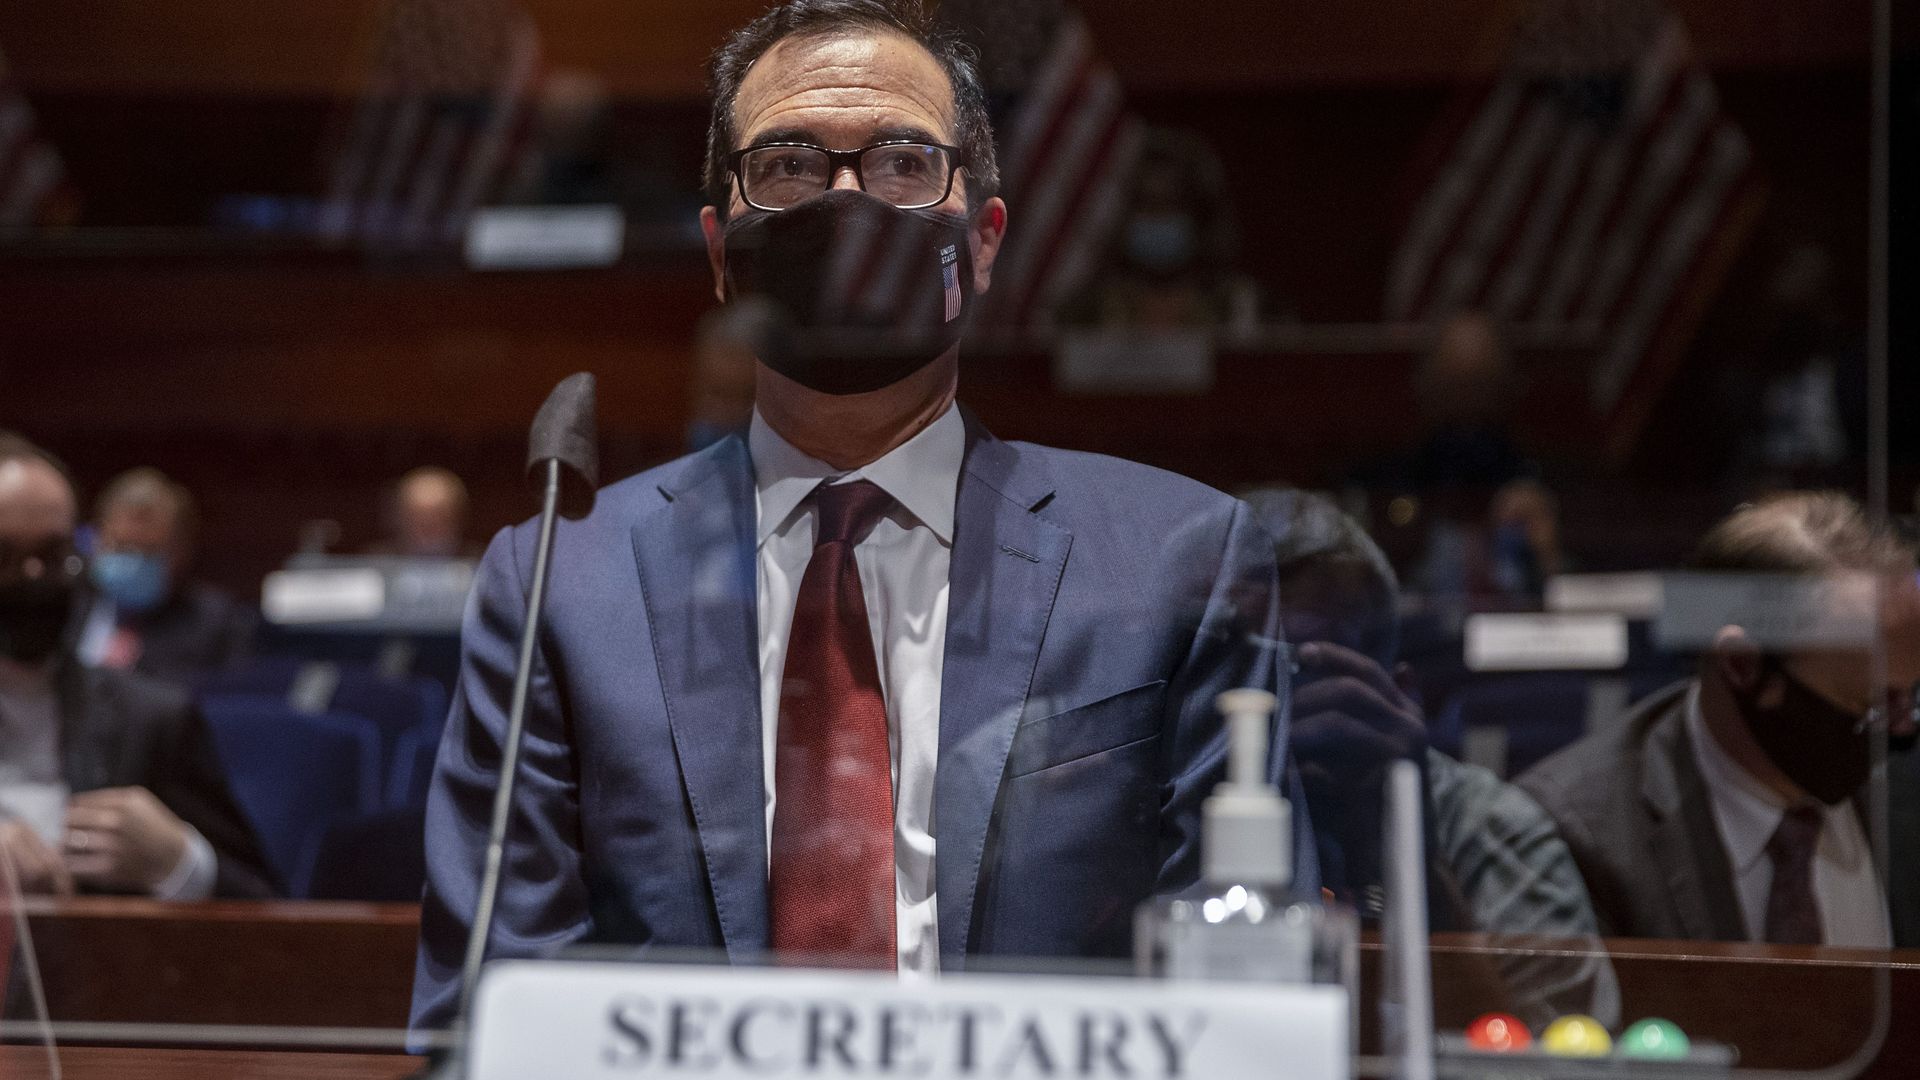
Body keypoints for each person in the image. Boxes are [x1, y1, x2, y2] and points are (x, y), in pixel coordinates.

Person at [412, 0, 1302, 1028]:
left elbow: (1241, 998)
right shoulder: (562, 582)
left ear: (983, 241)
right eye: (788, 165)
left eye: (903, 164)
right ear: (717, 251)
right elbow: (497, 1006)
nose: (847, 204)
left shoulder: (1173, 559)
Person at [1243, 487, 1616, 1026]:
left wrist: (1398, 842)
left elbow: (1561, 1048)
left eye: (1301, 671)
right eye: (1239, 673)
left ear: (1398, 694)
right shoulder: (1150, 790)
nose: (1262, 706)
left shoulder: (1480, 823)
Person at [1519, 492, 1920, 946]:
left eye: (1912, 694)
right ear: (1743, 664)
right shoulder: (1577, 838)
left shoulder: (1908, 791)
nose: (1904, 729)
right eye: (1872, 704)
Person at [0, 434, 275, 899]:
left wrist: (181, 864)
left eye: (50, 556)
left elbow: (272, 916)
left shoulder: (151, 721)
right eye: (2, 556)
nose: (30, 577)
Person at [76, 468, 256, 687]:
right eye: (121, 547)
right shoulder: (67, 604)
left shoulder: (215, 622)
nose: (132, 561)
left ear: (180, 551)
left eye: (148, 551)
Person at [369, 467, 480, 559]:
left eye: (438, 515)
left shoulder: (481, 561)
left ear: (457, 517)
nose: (428, 524)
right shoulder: (377, 561)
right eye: (417, 516)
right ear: (401, 517)